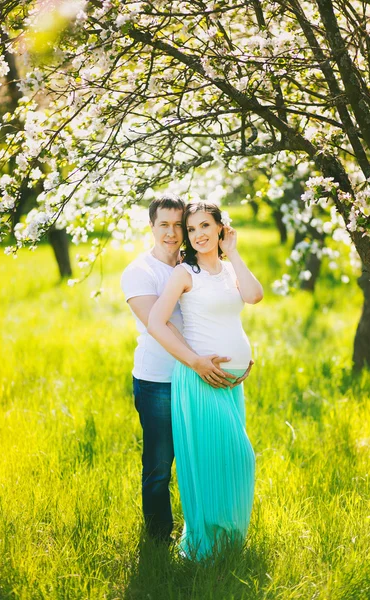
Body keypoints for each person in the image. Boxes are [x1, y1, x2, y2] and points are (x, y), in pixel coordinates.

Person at [121, 196, 252, 544]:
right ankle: (159, 541)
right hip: (159, 380)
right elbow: (158, 324)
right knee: (161, 467)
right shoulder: (141, 272)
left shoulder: (192, 262)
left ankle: (215, 529)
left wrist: (235, 353)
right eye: (164, 224)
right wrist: (198, 361)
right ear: (151, 226)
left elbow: (219, 312)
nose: (172, 232)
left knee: (211, 457)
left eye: (179, 225)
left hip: (208, 376)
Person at [148, 201, 264, 560]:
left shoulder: (231, 271)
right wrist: (195, 361)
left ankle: (228, 542)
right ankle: (206, 546)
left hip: (233, 382)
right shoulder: (185, 274)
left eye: (205, 227)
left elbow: (254, 296)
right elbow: (156, 322)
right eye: (192, 228)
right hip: (200, 380)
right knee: (229, 458)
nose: (198, 235)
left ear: (220, 228)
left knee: (231, 460)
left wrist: (234, 252)